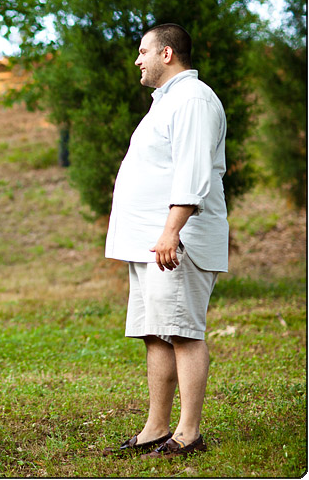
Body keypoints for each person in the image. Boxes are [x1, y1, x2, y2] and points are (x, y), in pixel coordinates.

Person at [103, 24, 228, 458]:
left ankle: (188, 433)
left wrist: (171, 231)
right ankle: (157, 427)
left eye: (143, 52)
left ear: (167, 53)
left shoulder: (193, 100)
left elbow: (194, 173)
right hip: (150, 241)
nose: (138, 60)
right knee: (156, 333)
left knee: (183, 332)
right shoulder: (168, 102)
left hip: (175, 239)